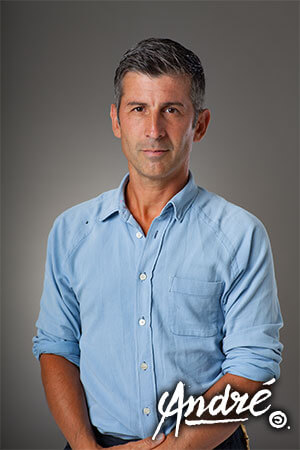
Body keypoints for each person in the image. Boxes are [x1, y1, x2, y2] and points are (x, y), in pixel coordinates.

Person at [32, 38, 283, 450]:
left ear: (198, 124)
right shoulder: (70, 232)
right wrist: (83, 445)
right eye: (138, 109)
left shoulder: (241, 236)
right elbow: (57, 348)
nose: (153, 130)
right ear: (116, 121)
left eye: (171, 109)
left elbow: (252, 367)